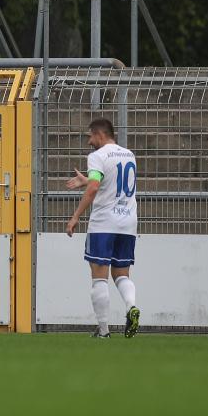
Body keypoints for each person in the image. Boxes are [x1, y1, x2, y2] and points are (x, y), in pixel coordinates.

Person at [65, 118, 140, 339]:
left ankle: (104, 330)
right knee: (121, 274)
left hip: (104, 223)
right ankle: (131, 306)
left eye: (90, 136)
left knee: (99, 277)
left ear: (100, 134)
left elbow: (96, 186)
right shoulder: (129, 155)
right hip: (127, 222)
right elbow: (108, 179)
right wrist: (87, 179)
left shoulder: (97, 156)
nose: (89, 141)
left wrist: (75, 217)